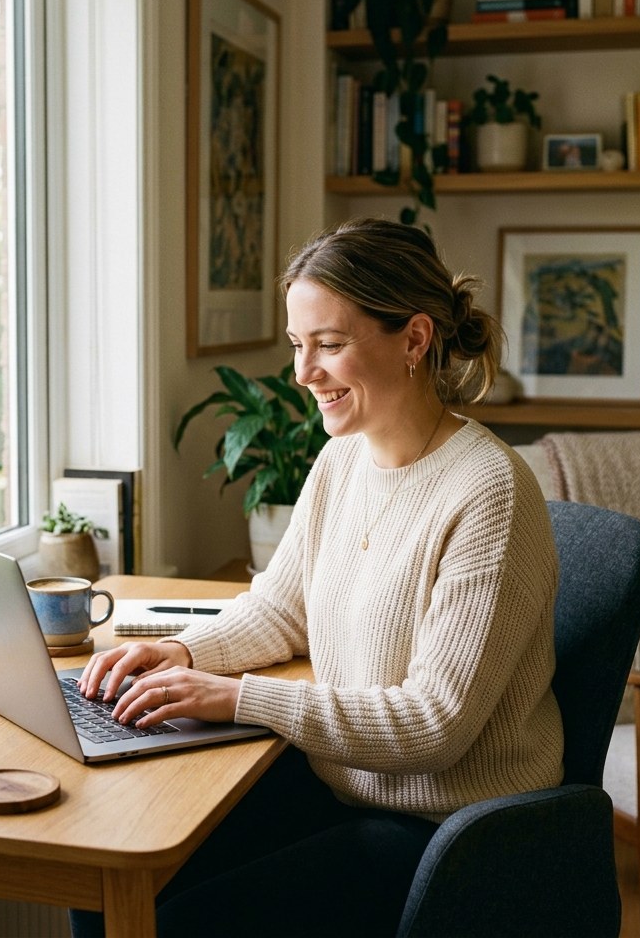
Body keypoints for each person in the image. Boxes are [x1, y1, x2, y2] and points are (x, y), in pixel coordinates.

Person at [72, 217, 563, 938]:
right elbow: (280, 609)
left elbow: (436, 726)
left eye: (329, 346)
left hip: (444, 830)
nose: (304, 374)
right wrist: (183, 653)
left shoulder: (490, 490)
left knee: (176, 922)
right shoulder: (345, 459)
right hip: (344, 787)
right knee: (106, 873)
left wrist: (239, 697)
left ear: (415, 339)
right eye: (300, 346)